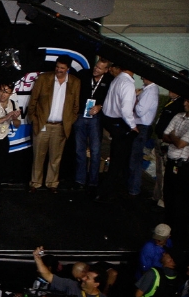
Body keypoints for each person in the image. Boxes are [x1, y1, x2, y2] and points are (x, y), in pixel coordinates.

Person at [26, 55, 79, 193]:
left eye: (62, 68)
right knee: (38, 156)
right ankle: (35, 183)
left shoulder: (75, 82)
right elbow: (33, 100)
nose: (58, 70)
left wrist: (69, 122)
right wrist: (34, 119)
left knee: (56, 158)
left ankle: (52, 183)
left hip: (60, 126)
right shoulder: (43, 78)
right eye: (57, 67)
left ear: (68, 69)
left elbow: (76, 106)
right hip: (42, 124)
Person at [98, 62, 138, 202]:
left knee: (117, 160)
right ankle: (107, 193)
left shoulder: (117, 80)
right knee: (118, 162)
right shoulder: (127, 84)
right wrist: (133, 126)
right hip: (120, 125)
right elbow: (126, 110)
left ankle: (109, 190)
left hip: (110, 121)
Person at [72, 58, 112, 192]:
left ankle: (93, 181)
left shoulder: (109, 80)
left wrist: (100, 106)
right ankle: (80, 180)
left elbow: (112, 99)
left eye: (100, 68)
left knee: (95, 151)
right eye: (96, 66)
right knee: (79, 150)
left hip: (96, 118)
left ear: (106, 70)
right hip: (80, 116)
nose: (96, 69)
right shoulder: (84, 74)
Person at [160, 96, 189, 243]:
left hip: (185, 165)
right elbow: (164, 135)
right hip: (172, 162)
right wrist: (174, 138)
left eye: (188, 101)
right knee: (168, 196)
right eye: (185, 100)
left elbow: (181, 143)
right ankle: (167, 228)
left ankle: (179, 234)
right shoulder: (178, 116)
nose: (185, 103)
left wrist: (174, 136)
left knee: (180, 200)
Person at [126, 78, 158, 196]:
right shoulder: (146, 89)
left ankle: (134, 188)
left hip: (142, 127)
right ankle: (131, 186)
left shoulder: (151, 91)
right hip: (140, 126)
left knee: (135, 159)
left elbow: (140, 111)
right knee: (133, 157)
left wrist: (134, 99)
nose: (141, 78)